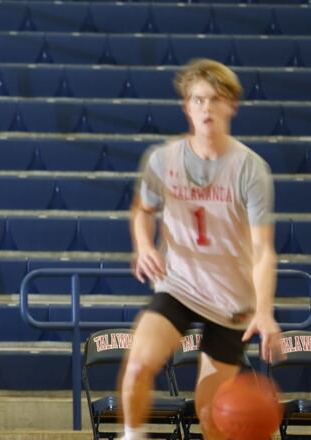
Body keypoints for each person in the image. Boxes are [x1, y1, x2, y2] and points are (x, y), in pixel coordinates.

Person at [120, 58, 282, 440]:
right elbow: (142, 211)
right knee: (139, 366)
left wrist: (264, 311)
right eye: (197, 100)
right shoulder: (163, 159)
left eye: (214, 99)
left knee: (213, 415)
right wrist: (144, 246)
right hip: (179, 284)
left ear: (232, 105)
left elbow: (263, 249)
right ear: (186, 107)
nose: (205, 107)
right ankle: (132, 435)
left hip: (231, 299)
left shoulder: (250, 168)